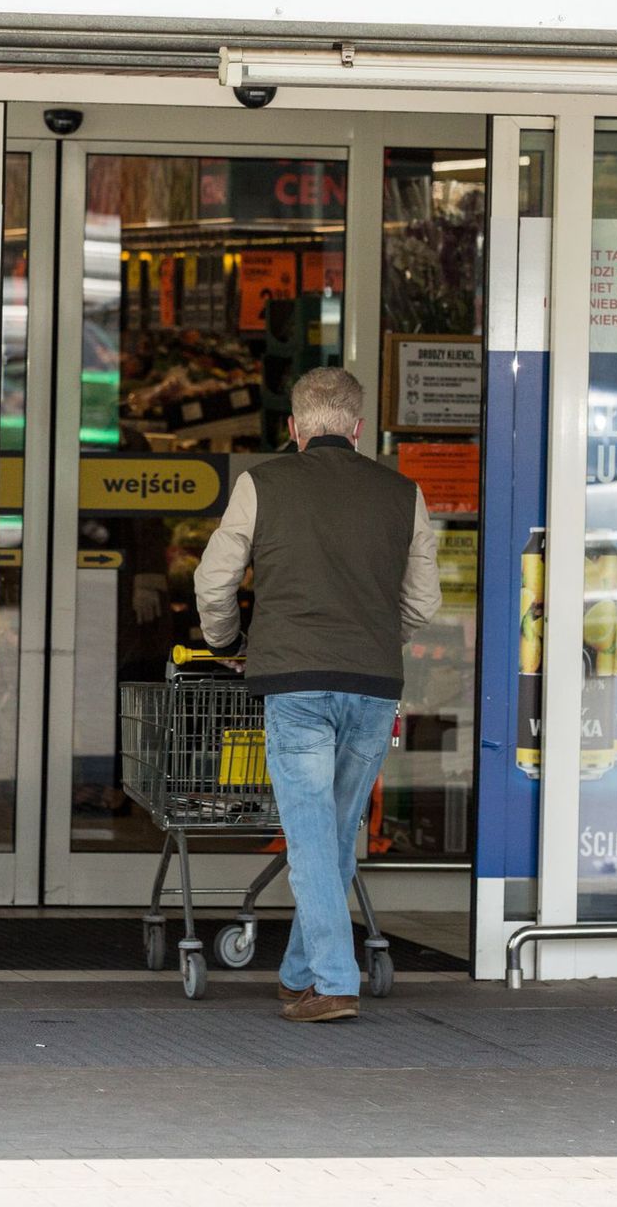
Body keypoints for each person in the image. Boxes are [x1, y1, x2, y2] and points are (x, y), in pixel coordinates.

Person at [194, 367, 440, 1022]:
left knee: (309, 837)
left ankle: (334, 982)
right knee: (331, 835)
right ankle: (301, 970)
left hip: (295, 683)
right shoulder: (402, 492)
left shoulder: (261, 484)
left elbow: (213, 580)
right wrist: (376, 634)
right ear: (358, 429)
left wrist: (225, 640)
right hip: (373, 685)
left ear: (295, 428)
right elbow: (423, 600)